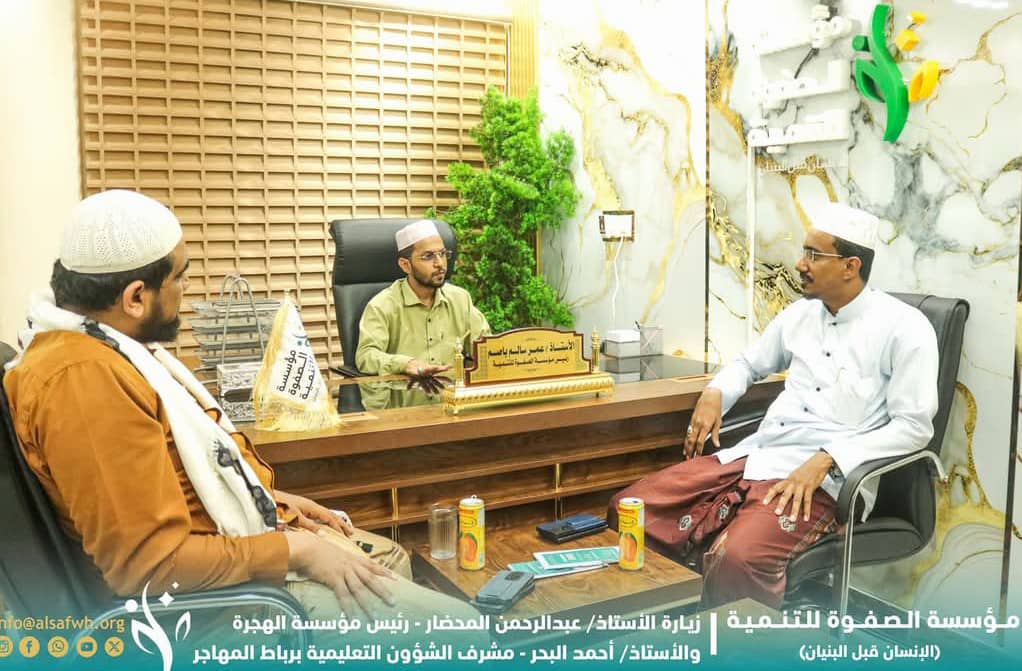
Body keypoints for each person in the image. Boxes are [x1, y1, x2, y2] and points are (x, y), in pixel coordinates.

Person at [3, 190, 480, 626]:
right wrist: (296, 550)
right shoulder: (85, 382)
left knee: (388, 557)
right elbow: (149, 566)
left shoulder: (104, 350)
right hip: (215, 612)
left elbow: (180, 483)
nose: (186, 290)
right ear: (135, 297)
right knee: (464, 631)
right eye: (180, 277)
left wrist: (279, 503)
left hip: (230, 559)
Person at [609, 202, 939, 609]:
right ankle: (665, 623)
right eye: (804, 252)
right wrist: (715, 393)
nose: (800, 264)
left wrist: (829, 458)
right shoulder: (800, 315)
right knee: (630, 513)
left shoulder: (905, 328)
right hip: (758, 457)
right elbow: (748, 364)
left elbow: (914, 427)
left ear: (850, 266)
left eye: (813, 255)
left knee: (737, 560)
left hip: (826, 484)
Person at [355, 219, 489, 392]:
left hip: (453, 399)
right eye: (428, 256)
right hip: (405, 400)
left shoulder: (460, 299)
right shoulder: (382, 305)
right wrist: (407, 364)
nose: (440, 264)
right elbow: (366, 356)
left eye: (442, 254)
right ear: (405, 265)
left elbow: (486, 346)